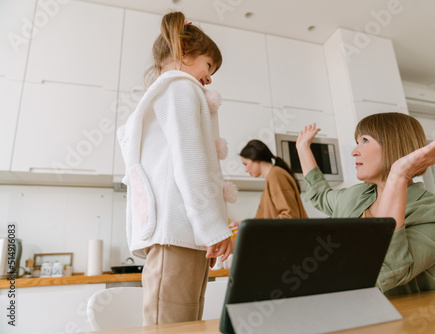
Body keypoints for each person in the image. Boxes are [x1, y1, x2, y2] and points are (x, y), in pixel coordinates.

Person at [117, 11, 236, 325]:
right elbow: (191, 161)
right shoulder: (180, 88)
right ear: (185, 51)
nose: (210, 77)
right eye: (209, 65)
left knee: (184, 324)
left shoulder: (173, 90)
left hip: (183, 234)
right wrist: (213, 227)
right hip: (178, 233)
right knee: (172, 325)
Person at [296, 113, 435, 296]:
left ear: (393, 144)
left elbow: (387, 273)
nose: (354, 151)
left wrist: (398, 174)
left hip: (406, 316)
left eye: (364, 140)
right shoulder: (355, 196)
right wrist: (302, 148)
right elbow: (319, 195)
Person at [229, 140, 307, 233]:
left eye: (245, 164)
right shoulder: (272, 180)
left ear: (255, 158)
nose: (246, 170)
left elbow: (289, 217)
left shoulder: (276, 174)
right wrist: (245, 225)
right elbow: (261, 221)